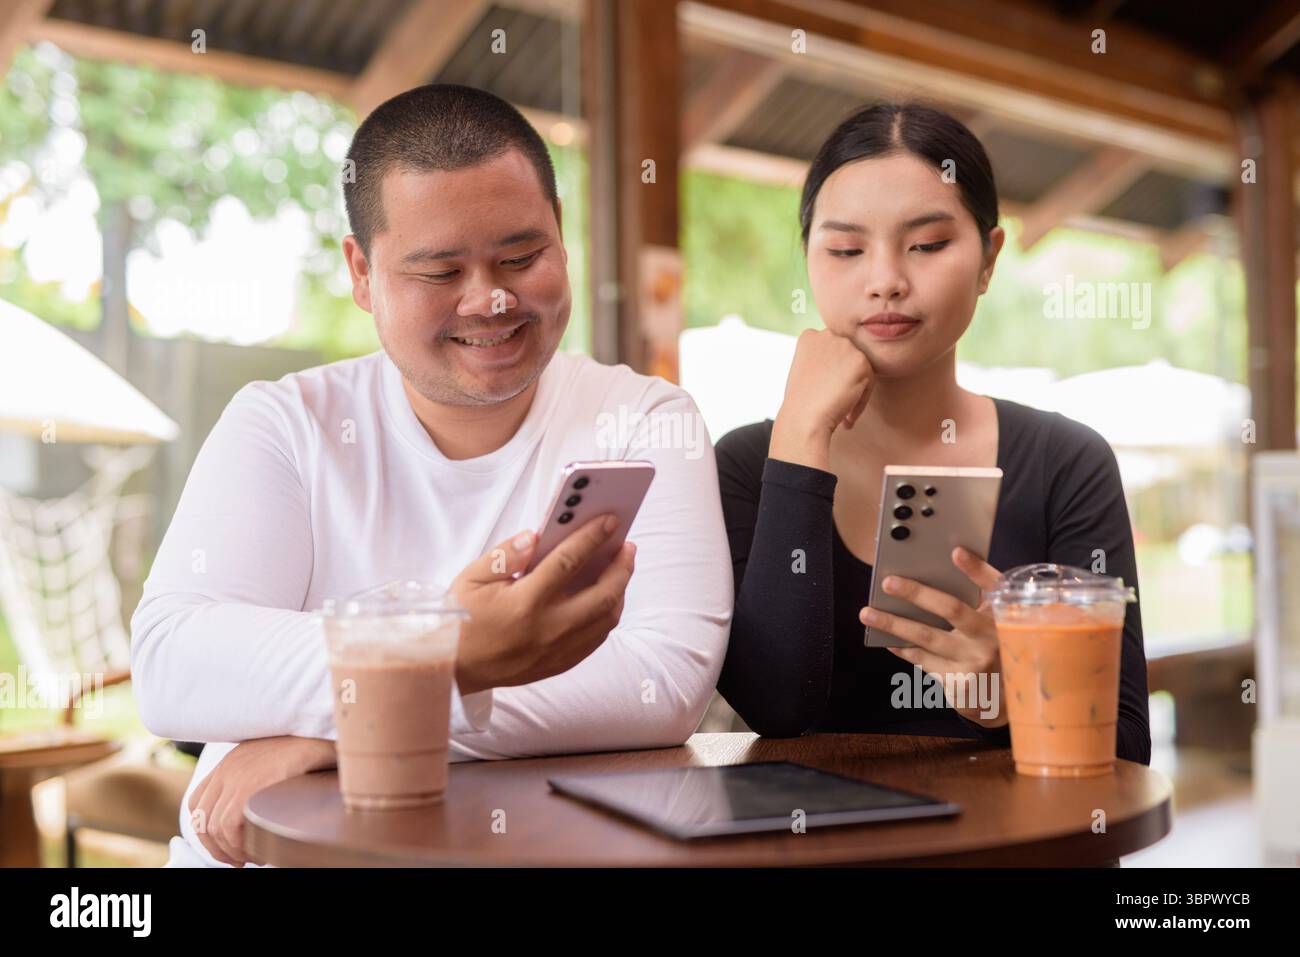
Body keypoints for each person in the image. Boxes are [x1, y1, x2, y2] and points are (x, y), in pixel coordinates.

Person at [130, 84, 732, 867]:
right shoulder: (285, 423)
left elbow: (659, 683)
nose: (492, 298)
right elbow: (175, 661)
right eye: (440, 270)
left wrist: (353, 729)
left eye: (522, 255)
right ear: (360, 271)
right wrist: (460, 651)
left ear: (560, 233)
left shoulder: (648, 417)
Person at [714, 102, 1150, 764]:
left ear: (989, 258)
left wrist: (1016, 697)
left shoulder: (1067, 463)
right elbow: (776, 706)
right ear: (808, 258)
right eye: (846, 249)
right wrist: (802, 431)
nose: (886, 280)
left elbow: (1128, 746)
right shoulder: (748, 464)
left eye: (927, 245)